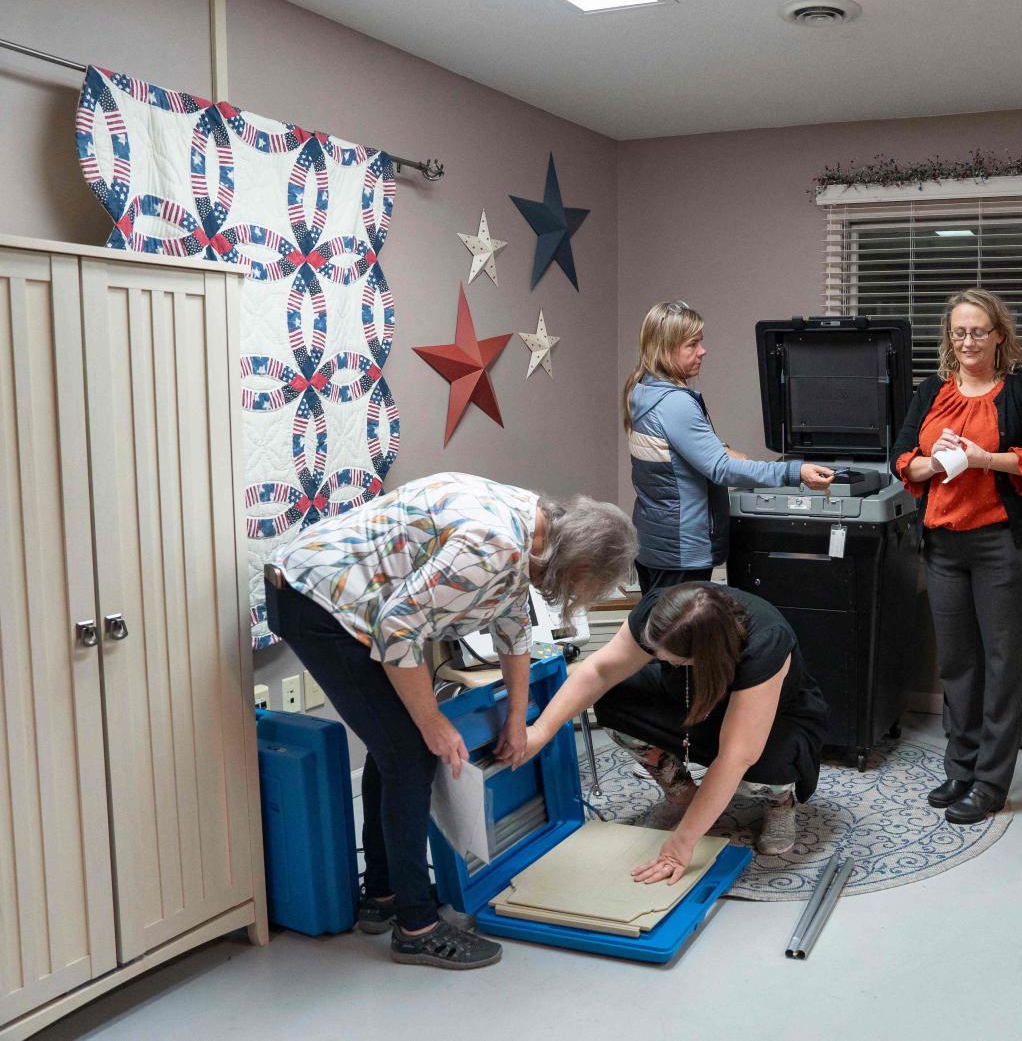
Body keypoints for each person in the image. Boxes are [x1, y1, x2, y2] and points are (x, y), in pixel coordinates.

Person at [265, 472, 636, 968]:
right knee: (410, 750)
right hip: (317, 600)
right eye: (583, 585)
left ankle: (385, 893)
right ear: (580, 561)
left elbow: (514, 627)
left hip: (343, 598)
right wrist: (432, 721)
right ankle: (415, 928)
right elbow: (398, 629)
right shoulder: (495, 543)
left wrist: (516, 722)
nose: (572, 594)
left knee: (392, 747)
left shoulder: (531, 520)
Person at [888, 288, 1022, 825]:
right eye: (958, 331)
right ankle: (960, 768)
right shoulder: (931, 391)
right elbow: (901, 458)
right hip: (943, 544)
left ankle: (991, 781)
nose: (967, 340)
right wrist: (933, 464)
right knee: (959, 664)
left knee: (1002, 664)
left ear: (999, 337)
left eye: (978, 331)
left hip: (1003, 547)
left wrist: (982, 459)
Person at [523, 582, 828, 869]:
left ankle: (779, 803)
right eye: (656, 654)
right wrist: (541, 730)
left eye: (675, 661)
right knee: (615, 698)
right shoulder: (661, 613)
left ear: (705, 656)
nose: (659, 659)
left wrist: (682, 843)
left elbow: (737, 755)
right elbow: (600, 671)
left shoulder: (766, 641)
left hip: (776, 719)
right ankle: (682, 795)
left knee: (763, 765)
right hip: (691, 699)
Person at [624, 300, 835, 594]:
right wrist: (794, 472)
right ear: (665, 348)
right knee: (681, 638)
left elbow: (676, 448)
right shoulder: (675, 402)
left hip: (654, 542)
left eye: (701, 342)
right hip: (681, 551)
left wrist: (718, 447)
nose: (703, 351)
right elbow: (721, 470)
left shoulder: (643, 390)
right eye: (692, 344)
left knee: (657, 634)